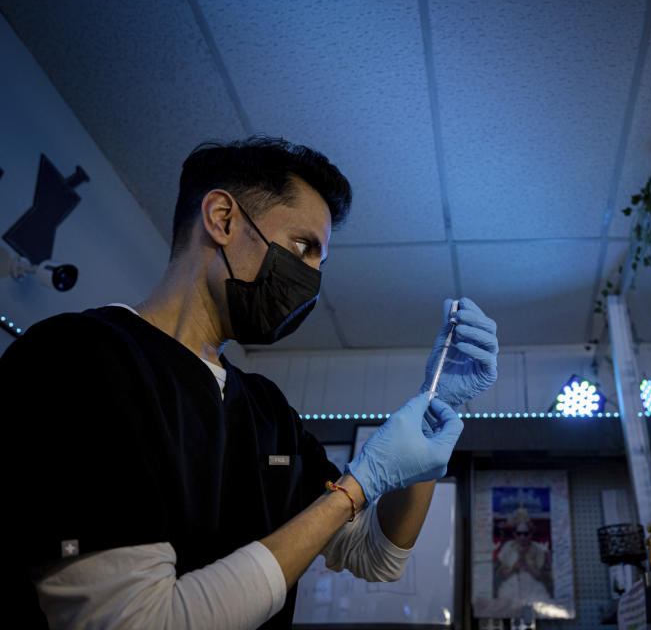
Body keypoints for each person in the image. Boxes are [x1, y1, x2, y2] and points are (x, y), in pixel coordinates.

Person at [3, 137, 499, 629]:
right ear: (222, 219)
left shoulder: (268, 410)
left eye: (319, 263)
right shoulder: (81, 357)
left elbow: (376, 555)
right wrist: (355, 487)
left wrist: (433, 406)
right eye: (302, 248)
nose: (311, 279)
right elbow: (136, 621)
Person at [494, 510, 553, 602]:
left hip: (533, 587)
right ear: (514, 534)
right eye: (519, 534)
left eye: (526, 534)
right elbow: (503, 575)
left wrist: (525, 562)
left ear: (531, 534)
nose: (522, 537)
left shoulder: (537, 548)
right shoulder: (508, 547)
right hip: (511, 586)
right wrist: (515, 566)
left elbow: (539, 576)